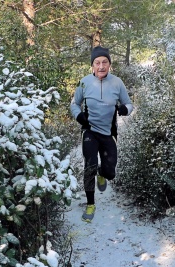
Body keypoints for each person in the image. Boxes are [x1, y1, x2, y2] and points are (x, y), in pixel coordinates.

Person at [70, 46, 134, 222]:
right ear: (92, 65)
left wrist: (124, 109)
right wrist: (79, 115)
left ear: (109, 65)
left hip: (109, 133)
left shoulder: (117, 83)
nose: (101, 66)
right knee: (88, 166)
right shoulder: (83, 83)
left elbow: (129, 104)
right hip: (89, 131)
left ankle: (102, 172)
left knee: (110, 172)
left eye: (104, 62)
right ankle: (90, 204)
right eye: (97, 62)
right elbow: (74, 104)